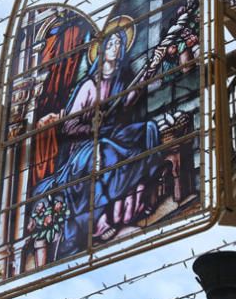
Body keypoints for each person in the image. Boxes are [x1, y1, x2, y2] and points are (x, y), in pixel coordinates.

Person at [32, 16, 163, 260]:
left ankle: (135, 202)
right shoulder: (88, 86)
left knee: (147, 130)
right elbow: (69, 127)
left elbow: (126, 105)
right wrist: (93, 127)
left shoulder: (120, 81)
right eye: (109, 44)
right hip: (84, 149)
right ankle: (99, 220)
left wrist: (150, 71)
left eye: (117, 44)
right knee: (101, 152)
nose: (113, 48)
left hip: (110, 137)